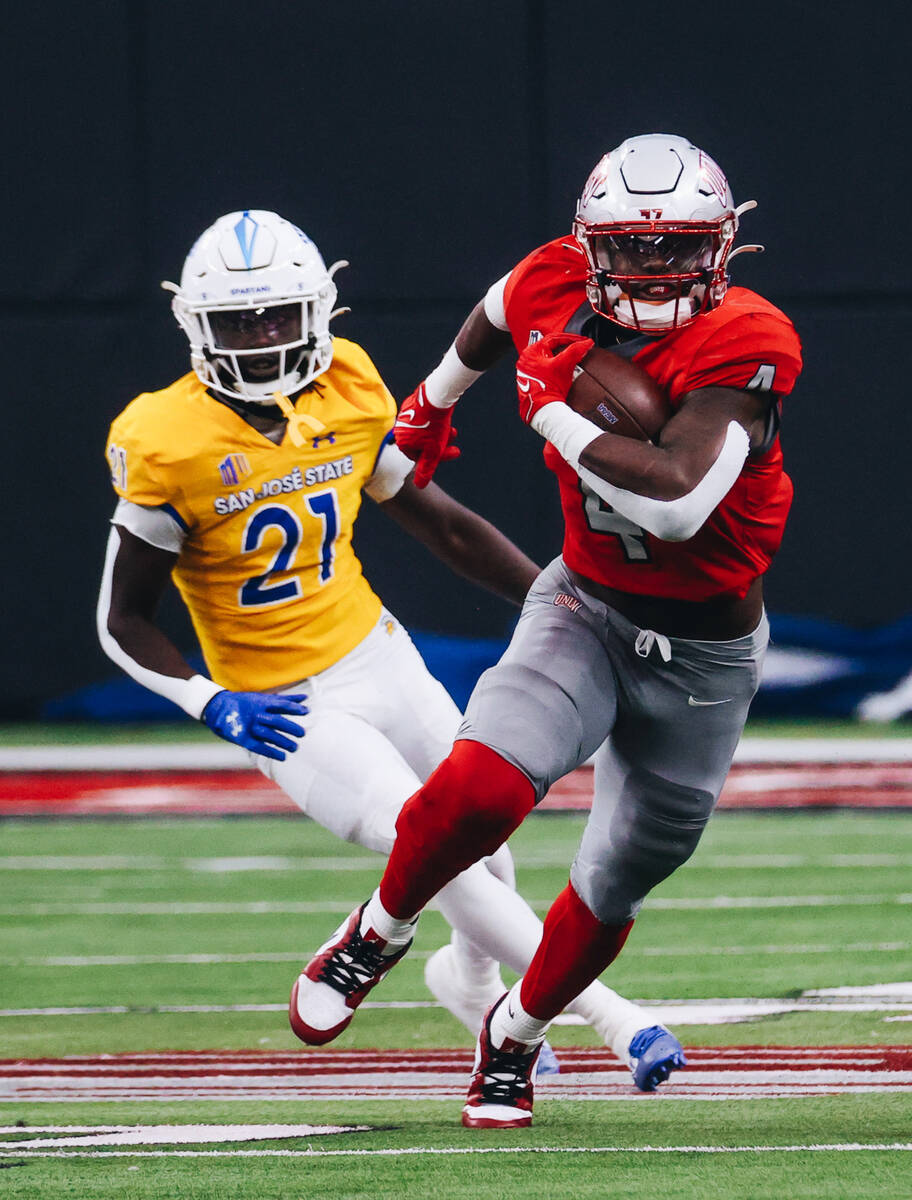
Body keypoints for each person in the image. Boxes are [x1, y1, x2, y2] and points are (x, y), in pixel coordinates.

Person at [97, 208, 686, 1092]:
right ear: (196, 327)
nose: (263, 339)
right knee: (431, 843)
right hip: (282, 700)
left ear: (319, 310)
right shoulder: (161, 437)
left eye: (279, 316)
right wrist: (210, 701)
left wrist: (566, 600)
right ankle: (615, 1017)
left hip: (376, 651)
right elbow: (123, 620)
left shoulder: (346, 383)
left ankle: (466, 981)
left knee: (486, 845)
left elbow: (438, 522)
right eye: (240, 322)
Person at [291, 134, 804, 1128]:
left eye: (678, 247)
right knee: (480, 786)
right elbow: (498, 306)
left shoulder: (751, 337)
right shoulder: (554, 280)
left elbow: (677, 507)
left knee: (612, 883)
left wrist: (550, 411)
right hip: (585, 606)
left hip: (704, 656)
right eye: (632, 247)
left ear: (725, 243)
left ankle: (514, 1034)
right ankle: (380, 928)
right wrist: (432, 403)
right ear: (589, 243)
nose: (654, 269)